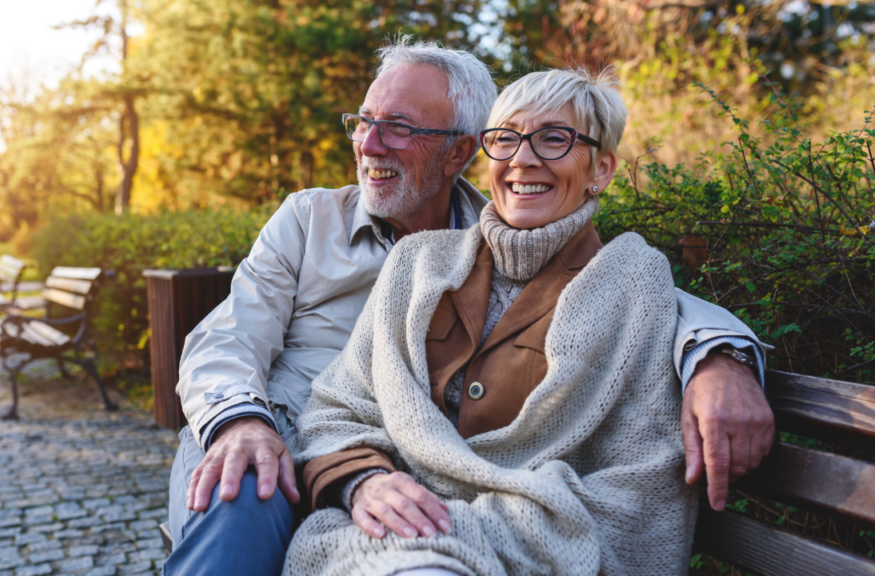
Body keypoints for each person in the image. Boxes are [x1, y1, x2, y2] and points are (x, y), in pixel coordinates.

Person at [164, 39, 772, 576]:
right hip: (274, 436)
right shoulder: (312, 221)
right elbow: (228, 338)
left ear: (459, 154)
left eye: (398, 126)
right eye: (364, 121)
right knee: (243, 486)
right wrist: (243, 423)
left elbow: (633, 290)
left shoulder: (505, 231)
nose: (369, 144)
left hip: (393, 490)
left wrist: (721, 357)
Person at [288, 65, 703, 576]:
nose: (523, 159)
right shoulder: (415, 265)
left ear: (602, 169)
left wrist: (451, 529)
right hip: (376, 538)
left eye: (554, 139)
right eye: (504, 139)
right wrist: (364, 482)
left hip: (529, 551)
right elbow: (338, 407)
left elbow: (640, 484)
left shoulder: (634, 284)